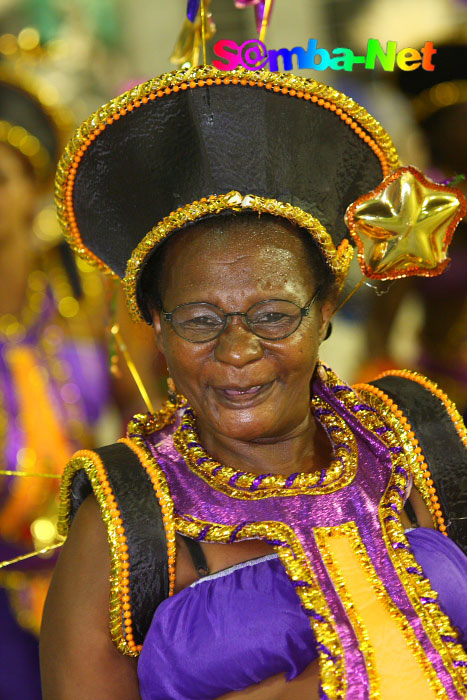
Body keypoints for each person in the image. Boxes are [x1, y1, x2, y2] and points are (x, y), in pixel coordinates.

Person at [40, 65, 467, 700]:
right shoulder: (125, 527)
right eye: (200, 320)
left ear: (325, 311)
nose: (238, 350)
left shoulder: (416, 446)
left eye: (272, 315)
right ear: (156, 324)